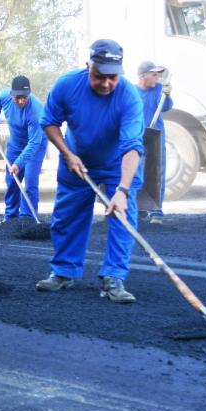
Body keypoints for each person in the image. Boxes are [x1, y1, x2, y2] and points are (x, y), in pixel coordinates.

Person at [36, 39, 145, 303]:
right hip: (76, 161)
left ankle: (114, 278)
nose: (106, 83)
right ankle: (64, 272)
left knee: (122, 216)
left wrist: (122, 190)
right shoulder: (66, 85)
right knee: (67, 217)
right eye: (99, 77)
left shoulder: (129, 96)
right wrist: (67, 153)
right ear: (88, 68)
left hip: (116, 165)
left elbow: (132, 147)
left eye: (112, 77)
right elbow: (50, 122)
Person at [0, 75, 48, 224]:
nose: (21, 101)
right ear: (11, 94)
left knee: (31, 180)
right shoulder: (3, 96)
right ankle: (10, 217)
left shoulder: (36, 111)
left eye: (24, 97)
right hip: (15, 144)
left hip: (36, 144)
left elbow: (34, 143)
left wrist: (18, 163)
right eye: (18, 97)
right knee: (12, 180)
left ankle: (27, 219)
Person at [136, 61, 173, 224]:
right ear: (143, 76)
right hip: (137, 136)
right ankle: (140, 209)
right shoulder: (132, 92)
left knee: (156, 172)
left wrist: (168, 93)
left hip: (155, 136)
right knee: (137, 171)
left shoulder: (158, 89)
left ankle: (156, 210)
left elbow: (166, 107)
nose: (156, 78)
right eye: (153, 74)